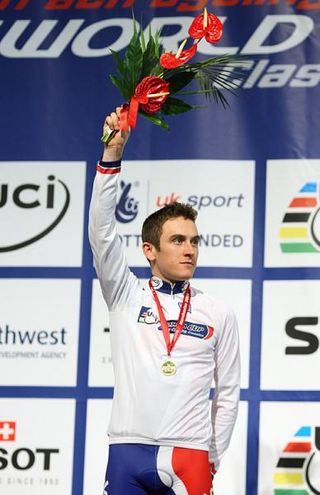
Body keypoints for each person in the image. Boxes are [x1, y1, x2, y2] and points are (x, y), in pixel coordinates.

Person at [89, 107, 240, 495]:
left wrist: (212, 456)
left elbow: (227, 393)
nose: (189, 250)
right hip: (127, 451)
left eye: (194, 241)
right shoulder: (125, 293)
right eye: (177, 240)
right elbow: (101, 233)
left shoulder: (217, 312)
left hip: (189, 456)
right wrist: (111, 158)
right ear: (149, 250)